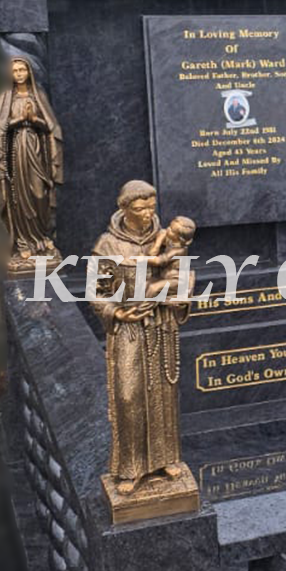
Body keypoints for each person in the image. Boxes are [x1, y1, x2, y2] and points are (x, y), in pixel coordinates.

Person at [92, 181, 192, 496]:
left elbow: (182, 277)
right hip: (129, 329)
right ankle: (130, 468)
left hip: (160, 325)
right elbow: (98, 291)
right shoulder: (108, 245)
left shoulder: (168, 238)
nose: (148, 214)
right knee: (128, 395)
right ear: (124, 209)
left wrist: (172, 296)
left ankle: (165, 458)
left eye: (151, 207)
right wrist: (116, 314)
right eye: (140, 209)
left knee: (163, 393)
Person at [0, 57, 64, 268]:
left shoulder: (38, 96)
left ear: (29, 72)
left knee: (39, 194)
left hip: (37, 151)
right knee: (19, 198)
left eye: (22, 69)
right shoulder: (6, 98)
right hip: (16, 152)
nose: (20, 74)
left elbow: (53, 128)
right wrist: (17, 120)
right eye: (15, 71)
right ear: (10, 75)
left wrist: (34, 120)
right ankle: (23, 242)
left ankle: (41, 238)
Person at [144, 215, 197, 299]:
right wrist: (159, 240)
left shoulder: (178, 251)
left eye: (172, 230)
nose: (167, 229)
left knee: (153, 288)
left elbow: (157, 261)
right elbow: (152, 252)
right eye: (169, 226)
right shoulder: (172, 242)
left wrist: (141, 258)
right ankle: (138, 307)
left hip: (177, 281)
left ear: (180, 238)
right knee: (145, 285)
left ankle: (143, 310)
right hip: (165, 276)